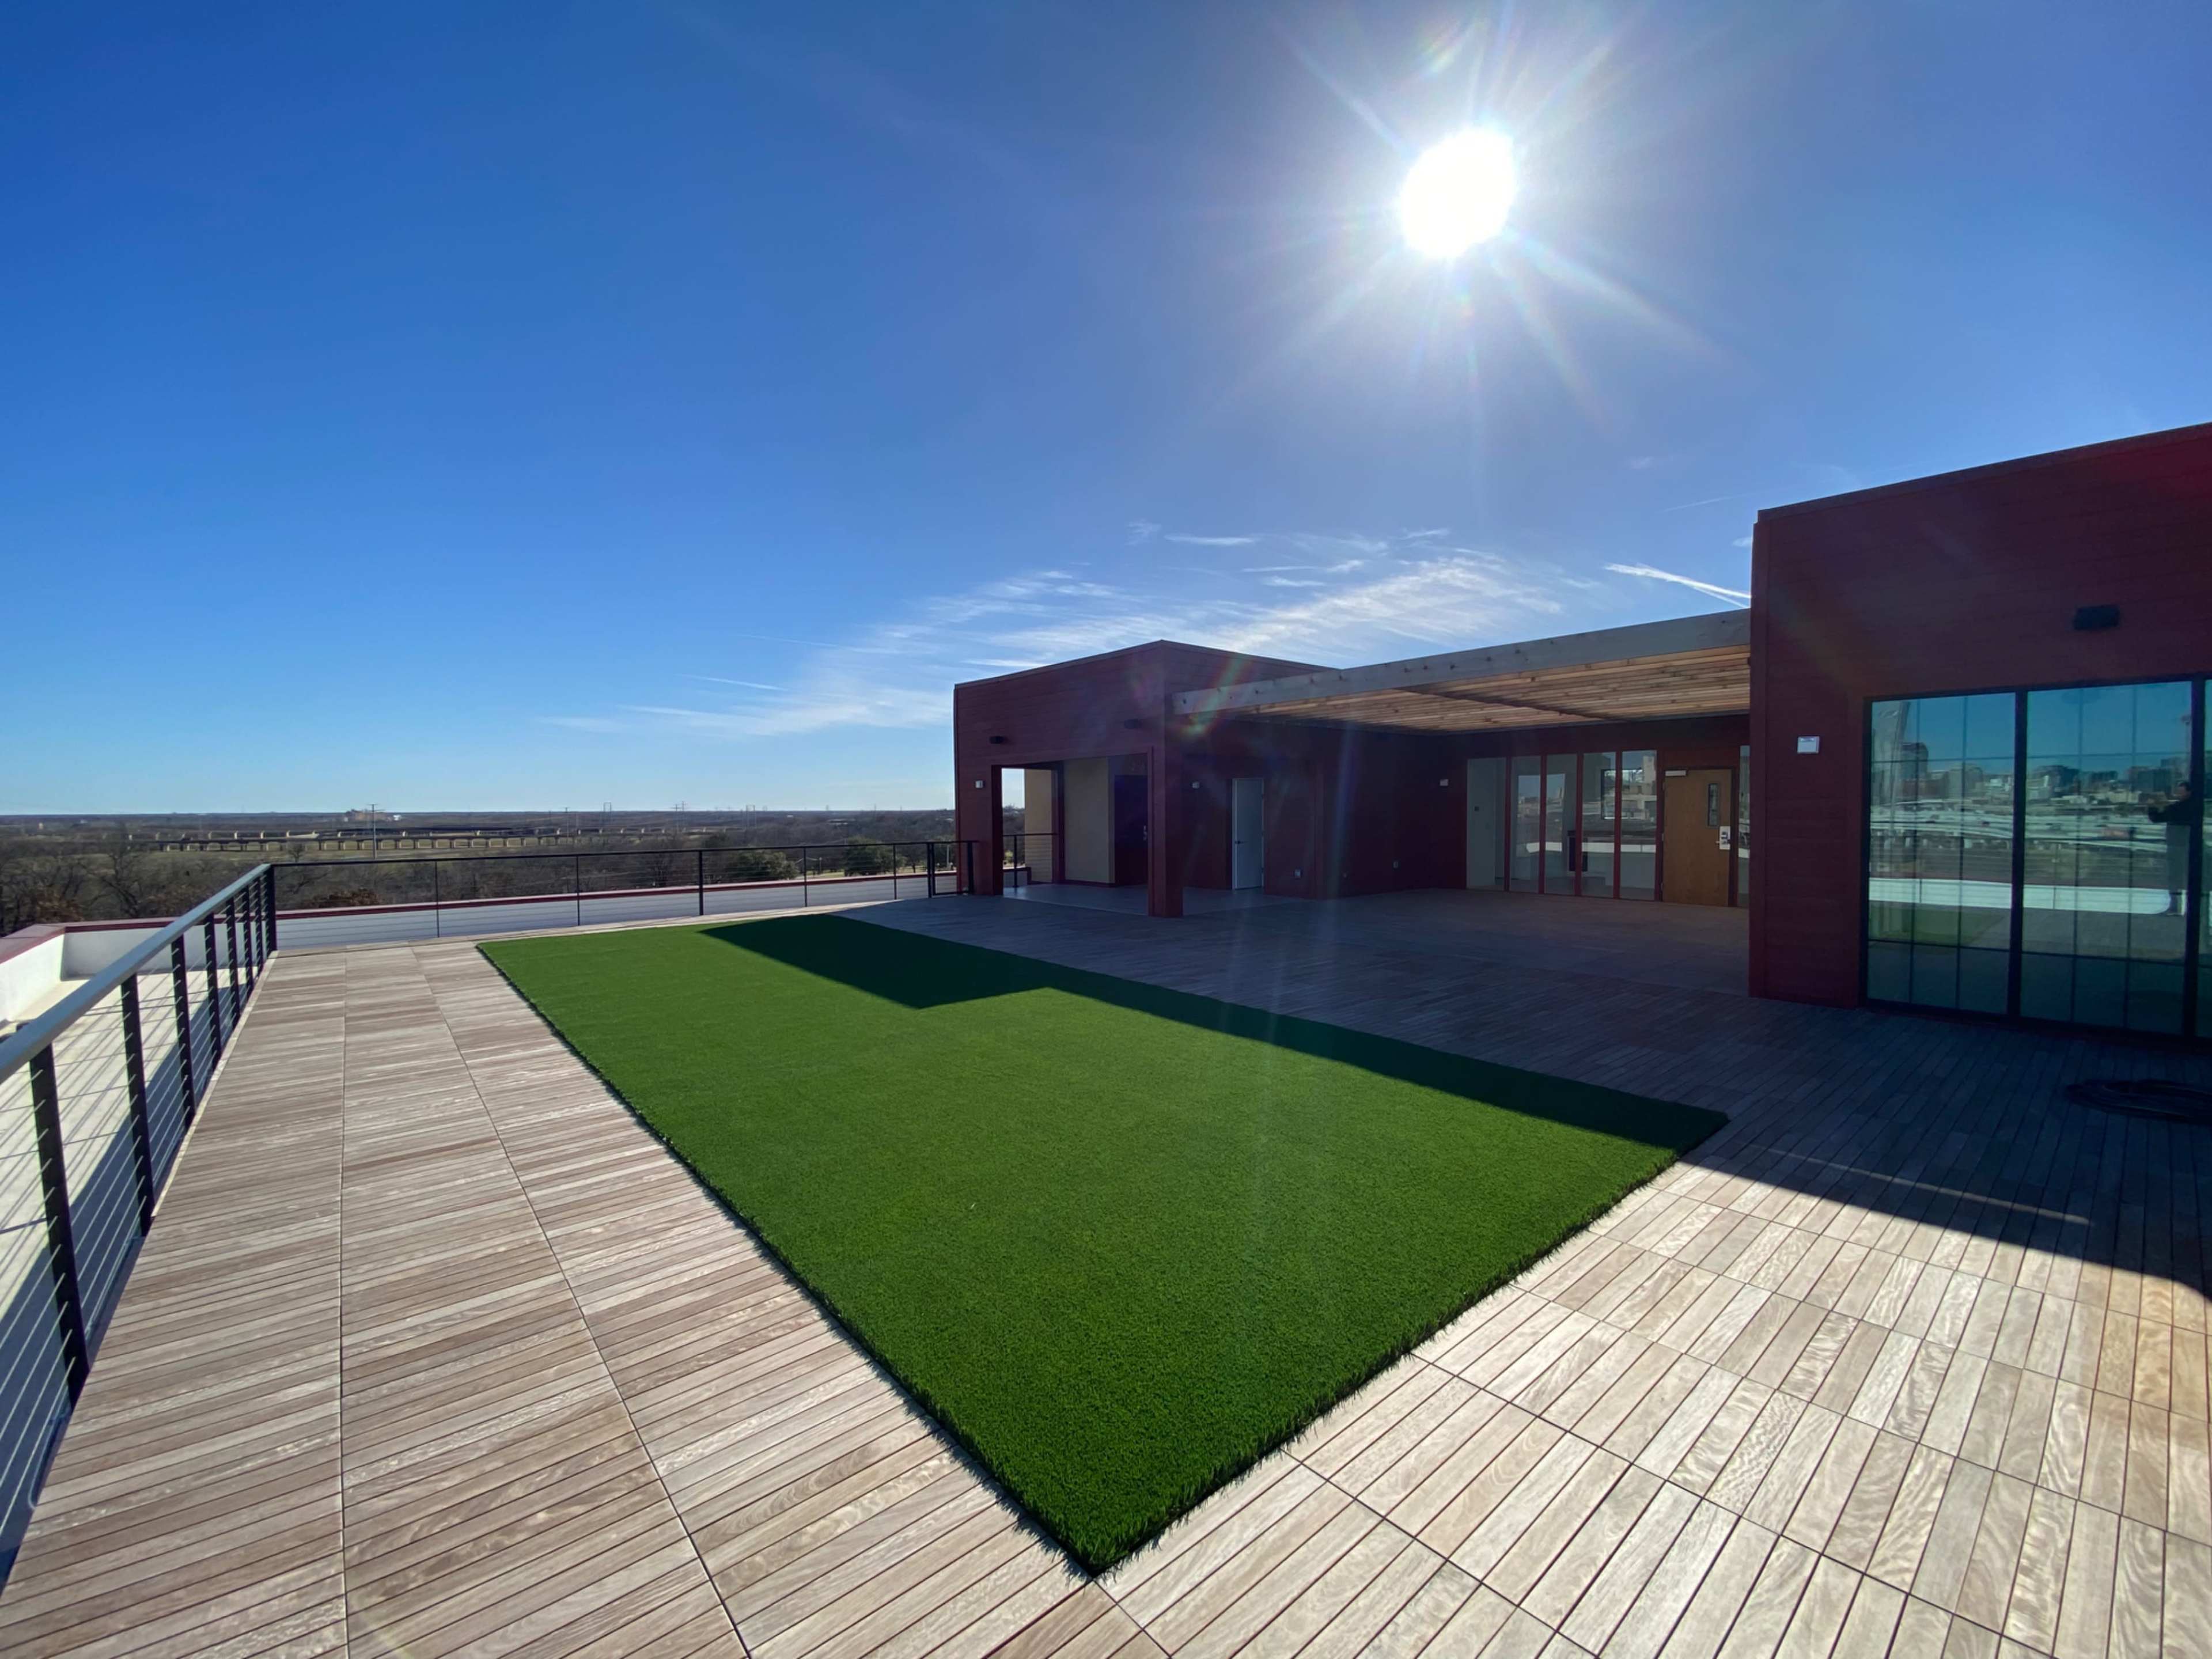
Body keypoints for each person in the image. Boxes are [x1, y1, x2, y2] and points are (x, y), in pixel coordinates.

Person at [2147, 781, 2195, 915]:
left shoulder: (2179, 808)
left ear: (2189, 792)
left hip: (2178, 846)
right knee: (2189, 878)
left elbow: (2157, 818)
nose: (2178, 794)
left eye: (2181, 792)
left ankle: (2175, 907)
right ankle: (2189, 910)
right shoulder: (2194, 806)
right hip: (2188, 846)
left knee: (2175, 878)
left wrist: (2153, 806)